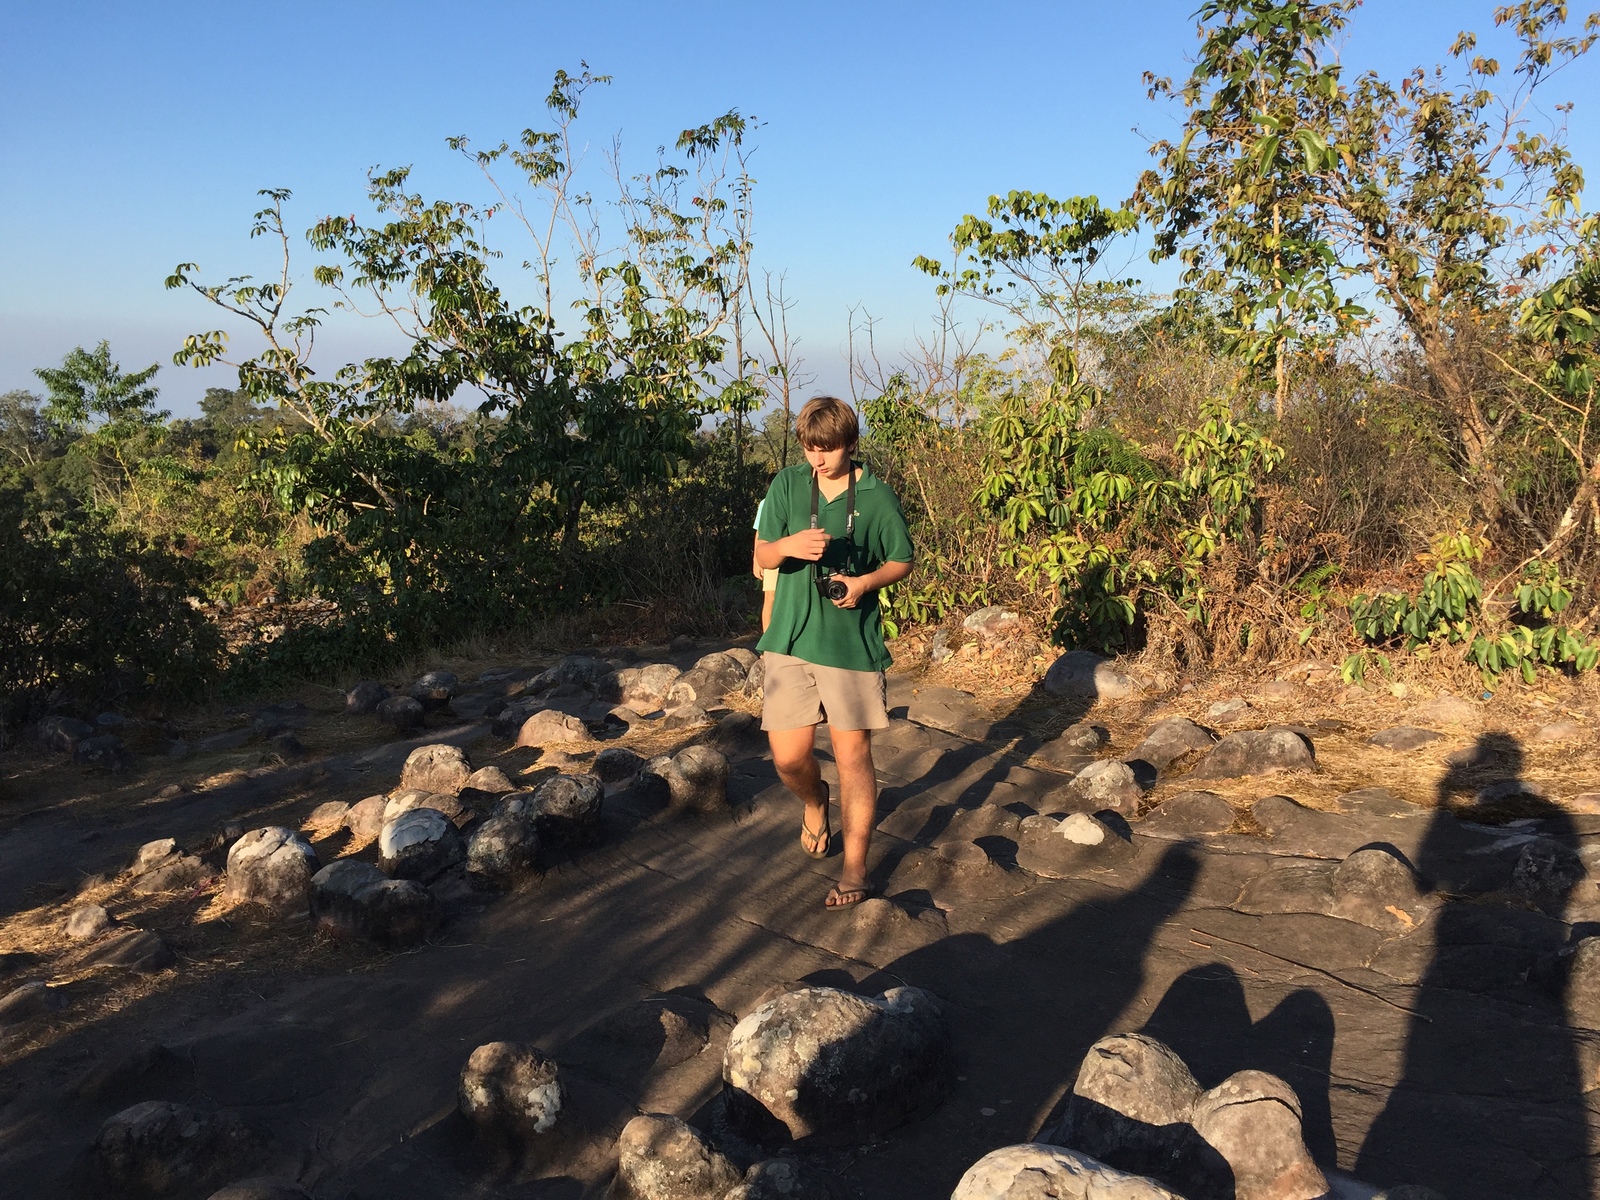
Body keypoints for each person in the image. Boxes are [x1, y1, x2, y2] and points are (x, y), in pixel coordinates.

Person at [754, 396, 913, 909]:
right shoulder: (786, 485)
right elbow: (761, 554)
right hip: (790, 638)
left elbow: (901, 559)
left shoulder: (875, 495)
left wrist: (864, 582)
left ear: (849, 444)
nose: (817, 459)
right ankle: (815, 800)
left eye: (827, 449)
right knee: (788, 757)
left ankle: (855, 869)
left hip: (849, 642)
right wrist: (789, 547)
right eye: (809, 448)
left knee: (853, 757)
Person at [752, 497, 778, 632]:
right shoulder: (766, 502)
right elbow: (759, 532)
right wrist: (757, 560)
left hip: (794, 554)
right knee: (770, 597)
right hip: (771, 553)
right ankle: (767, 643)